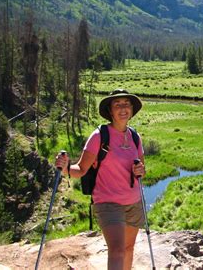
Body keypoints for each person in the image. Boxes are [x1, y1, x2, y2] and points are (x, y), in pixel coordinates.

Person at [55, 89, 146, 270]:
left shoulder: (135, 137)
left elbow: (142, 170)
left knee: (128, 249)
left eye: (126, 104)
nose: (123, 108)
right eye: (117, 104)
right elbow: (80, 169)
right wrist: (65, 167)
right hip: (108, 203)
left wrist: (140, 170)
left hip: (134, 202)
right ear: (110, 111)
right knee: (117, 251)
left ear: (132, 109)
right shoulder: (99, 136)